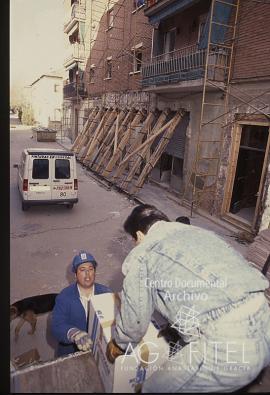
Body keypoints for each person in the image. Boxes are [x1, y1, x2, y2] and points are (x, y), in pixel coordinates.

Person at [106, 204, 270, 393]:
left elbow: (134, 322)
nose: (135, 245)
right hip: (265, 323)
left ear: (140, 235)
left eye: (133, 240)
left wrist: (119, 344)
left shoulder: (144, 253)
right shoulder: (200, 234)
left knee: (153, 389)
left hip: (229, 345)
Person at [52, 251, 111, 357]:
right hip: (73, 353)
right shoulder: (64, 297)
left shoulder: (106, 292)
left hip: (99, 351)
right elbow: (57, 325)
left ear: (95, 272)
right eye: (82, 270)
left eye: (90, 269)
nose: (87, 274)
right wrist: (74, 334)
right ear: (75, 274)